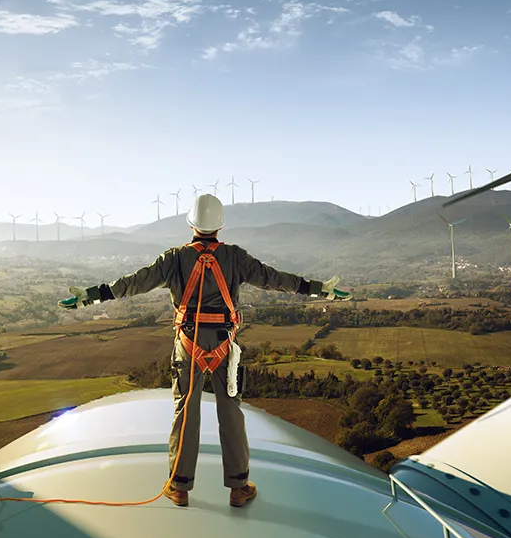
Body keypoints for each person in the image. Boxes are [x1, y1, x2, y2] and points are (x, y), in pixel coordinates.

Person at [60, 193, 350, 508]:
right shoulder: (236, 258)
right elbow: (275, 279)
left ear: (190, 222)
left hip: (188, 345)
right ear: (220, 225)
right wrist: (319, 289)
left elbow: (134, 282)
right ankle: (239, 488)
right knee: (231, 413)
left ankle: (180, 487)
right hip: (226, 344)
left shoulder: (173, 259)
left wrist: (92, 295)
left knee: (186, 412)